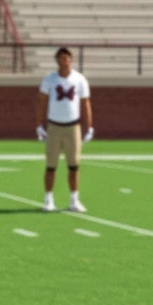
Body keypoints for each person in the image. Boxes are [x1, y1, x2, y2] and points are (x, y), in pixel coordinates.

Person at [37, 46, 93, 213]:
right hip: (54, 126)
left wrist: (88, 126)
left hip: (73, 127)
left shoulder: (79, 79)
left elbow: (85, 104)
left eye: (67, 58)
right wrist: (39, 125)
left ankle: (74, 200)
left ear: (71, 60)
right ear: (57, 60)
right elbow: (41, 103)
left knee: (74, 165)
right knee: (51, 165)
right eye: (61, 58)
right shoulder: (50, 79)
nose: (65, 61)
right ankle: (48, 199)